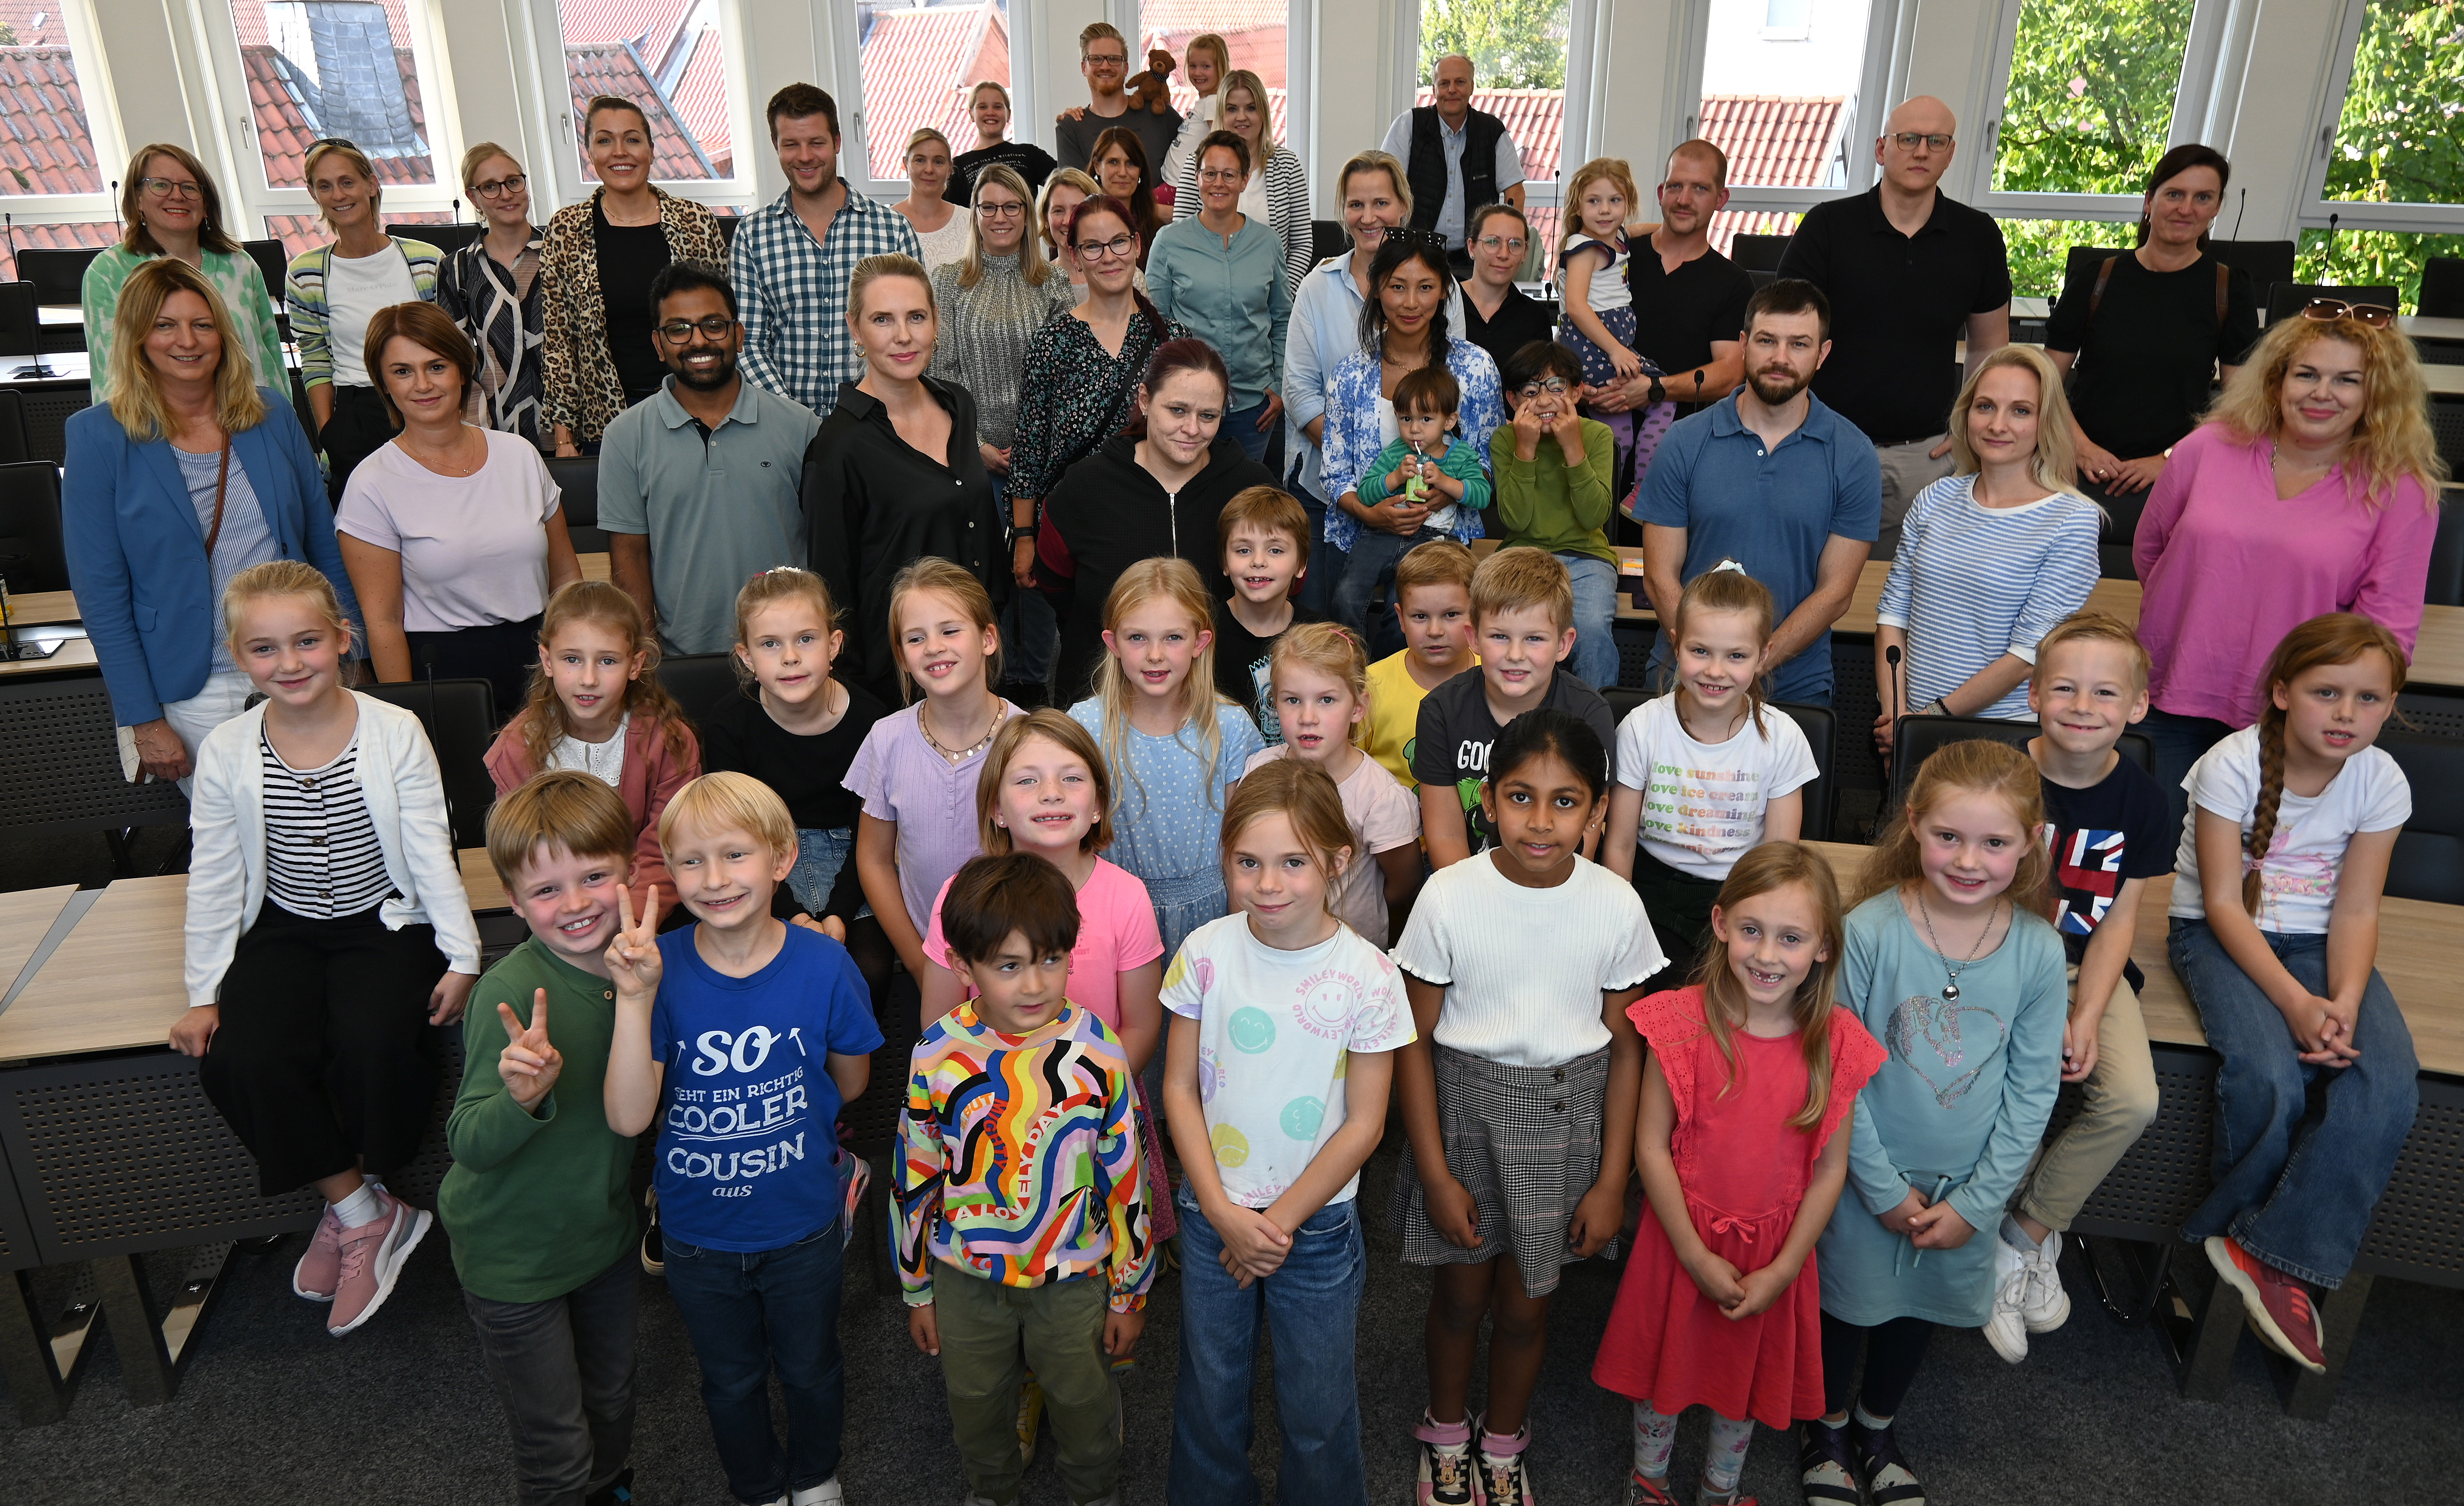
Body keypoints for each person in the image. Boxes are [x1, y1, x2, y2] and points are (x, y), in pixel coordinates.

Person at [171, 560, 480, 1337]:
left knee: (375, 1040)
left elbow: (430, 850)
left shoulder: (394, 730)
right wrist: (203, 991)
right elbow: (215, 874)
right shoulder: (229, 748)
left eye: (307, 640)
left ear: (343, 638)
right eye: (265, 648)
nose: (290, 662)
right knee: (243, 1056)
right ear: (240, 657)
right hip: (284, 924)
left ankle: (357, 1202)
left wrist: (463, 955)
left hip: (385, 919)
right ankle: (362, 1209)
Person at [1394, 709, 1661, 1505]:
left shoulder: (1616, 904)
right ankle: (1446, 1431)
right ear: (1487, 799)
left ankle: (1504, 1441)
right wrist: (1434, 1174)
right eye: (1520, 797)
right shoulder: (1448, 895)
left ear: (1598, 809)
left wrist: (1610, 1181)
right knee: (1459, 1297)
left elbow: (1626, 1052)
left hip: (1567, 1125)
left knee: (1526, 1305)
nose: (1540, 822)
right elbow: (1412, 1042)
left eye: (1565, 801)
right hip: (1464, 1120)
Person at [603, 774, 883, 1506]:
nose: (715, 878)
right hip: (698, 1232)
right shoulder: (657, 967)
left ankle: (815, 1473)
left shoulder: (825, 962)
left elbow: (852, 1081)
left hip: (802, 1221)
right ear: (669, 870)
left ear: (782, 858)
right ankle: (757, 1486)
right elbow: (630, 1116)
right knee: (730, 1377)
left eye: (735, 854)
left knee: (811, 1365)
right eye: (691, 861)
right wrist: (634, 998)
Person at [1808, 741, 2065, 1506]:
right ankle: (1824, 1428)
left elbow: (2032, 1090)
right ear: (1914, 823)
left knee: (1915, 1312)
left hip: (1964, 1190)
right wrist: (1882, 1188)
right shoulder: (1868, 930)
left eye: (1994, 842)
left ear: (2030, 843)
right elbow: (1838, 1071)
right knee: (1841, 1304)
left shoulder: (2038, 950)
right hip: (1861, 1178)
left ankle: (1876, 1425)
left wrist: (1979, 1204)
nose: (1968, 860)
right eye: (1948, 835)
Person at [1592, 843, 1886, 1506]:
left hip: (1774, 1252)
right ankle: (1649, 1481)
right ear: (1721, 923)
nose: (1767, 954)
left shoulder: (1836, 1041)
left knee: (1744, 1379)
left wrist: (1783, 1270)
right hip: (1680, 1238)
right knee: (1662, 1371)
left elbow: (1830, 1169)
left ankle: (1720, 1489)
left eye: (1791, 938)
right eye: (1752, 929)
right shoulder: (1680, 1020)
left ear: (1823, 948)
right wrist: (1693, 1253)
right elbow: (1651, 1146)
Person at [2173, 613, 2420, 1375]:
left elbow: (2357, 909)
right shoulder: (2230, 764)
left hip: (2321, 944)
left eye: (2368, 698)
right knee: (2269, 1077)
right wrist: (2293, 1003)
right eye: (2326, 692)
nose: (2347, 713)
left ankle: (2267, 1251)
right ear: (2281, 692)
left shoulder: (2382, 778)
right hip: (2218, 931)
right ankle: (2237, 1244)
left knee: (2386, 1083)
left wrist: (2342, 999)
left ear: (2390, 706)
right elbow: (2222, 903)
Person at [1160, 759, 1412, 1506]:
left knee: (1318, 1407)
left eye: (1293, 861)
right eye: (1247, 862)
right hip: (1213, 1215)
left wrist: (1274, 1225)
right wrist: (1222, 1213)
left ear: (1338, 860)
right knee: (1210, 1394)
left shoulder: (1370, 975)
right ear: (1225, 859)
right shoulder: (1205, 952)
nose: (1268, 883)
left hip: (1316, 1226)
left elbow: (1365, 1124)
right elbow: (1178, 1088)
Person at [898, 854, 1155, 1506]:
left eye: (1051, 959)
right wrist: (917, 1286)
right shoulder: (936, 1053)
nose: (1035, 983)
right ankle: (991, 1489)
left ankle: (1094, 1490)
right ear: (963, 966)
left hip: (1074, 1276)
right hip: (965, 1275)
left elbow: (1127, 1178)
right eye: (1008, 965)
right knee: (975, 1401)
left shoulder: (1099, 1052)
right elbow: (915, 1173)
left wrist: (1129, 1292)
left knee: (1084, 1399)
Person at [2131, 306, 2441, 832]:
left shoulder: (2400, 490)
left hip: (2292, 720)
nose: (2322, 393)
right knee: (2150, 856)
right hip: (2169, 693)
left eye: (2347, 380)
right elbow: (2151, 550)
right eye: (2307, 374)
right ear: (2278, 380)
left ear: (2377, 394)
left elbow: (2384, 631)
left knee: (2250, 871)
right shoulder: (2207, 447)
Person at [64, 258, 362, 789]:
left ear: (222, 333)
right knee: (236, 829)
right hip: (197, 686)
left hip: (303, 663)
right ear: (137, 338)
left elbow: (322, 543)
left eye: (202, 324)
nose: (188, 341)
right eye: (165, 325)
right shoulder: (98, 438)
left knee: (334, 816)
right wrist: (143, 719)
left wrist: (353, 657)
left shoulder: (272, 414)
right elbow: (101, 596)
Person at [442, 770, 649, 1506]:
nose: (576, 903)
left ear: (631, 868)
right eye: (547, 889)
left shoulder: (645, 968)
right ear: (514, 899)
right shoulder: (509, 992)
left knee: (613, 1399)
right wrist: (520, 1098)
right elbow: (469, 1142)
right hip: (513, 1255)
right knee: (555, 1445)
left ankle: (610, 1489)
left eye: (593, 876)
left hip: (603, 1237)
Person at [915, 711, 1177, 1240]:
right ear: (996, 808)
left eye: (1071, 778)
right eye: (1027, 780)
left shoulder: (1126, 897)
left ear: (1097, 804)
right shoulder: (958, 896)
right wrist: (1011, 1103)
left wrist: (1076, 1098)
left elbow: (1142, 1026)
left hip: (1097, 1103)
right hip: (988, 1109)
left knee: (1099, 1239)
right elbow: (939, 1025)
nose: (1051, 793)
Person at [1991, 612, 2168, 1363]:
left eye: (2105, 691)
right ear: (2033, 693)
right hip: (1994, 958)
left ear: (2138, 705)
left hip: (2082, 965)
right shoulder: (1995, 775)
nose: (2083, 706)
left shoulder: (2144, 801)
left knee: (2132, 1098)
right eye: (2064, 687)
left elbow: (2119, 921)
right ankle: (1976, 1221)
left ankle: (2021, 1233)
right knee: (2009, 1078)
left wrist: (2088, 1012)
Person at [1777, 96, 2011, 558]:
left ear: (1951, 153)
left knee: (1905, 587)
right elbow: (1786, 336)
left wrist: (1972, 426)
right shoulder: (1828, 226)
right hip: (1824, 443)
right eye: (1909, 139)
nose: (1921, 151)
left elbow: (1989, 346)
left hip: (1926, 455)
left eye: (1936, 141)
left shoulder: (1978, 236)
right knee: (1806, 571)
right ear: (1882, 149)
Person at [1638, 279, 1881, 708]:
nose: (1780, 358)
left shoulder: (1854, 455)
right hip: (1684, 677)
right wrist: (1709, 663)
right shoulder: (1683, 441)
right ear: (1744, 344)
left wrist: (1750, 666)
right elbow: (1660, 578)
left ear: (1823, 354)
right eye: (1767, 341)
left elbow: (1836, 593)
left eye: (1799, 344)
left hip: (1795, 687)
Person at [337, 301, 581, 714]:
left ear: (462, 370)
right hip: (444, 676)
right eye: (402, 371)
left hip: (545, 661)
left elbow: (567, 578)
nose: (422, 385)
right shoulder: (370, 484)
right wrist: (406, 718)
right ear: (384, 384)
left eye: (436, 366)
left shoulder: (520, 455)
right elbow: (383, 623)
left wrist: (578, 661)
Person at [1872, 344, 2101, 751]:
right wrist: (1898, 717)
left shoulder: (2072, 520)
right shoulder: (1935, 497)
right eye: (1985, 406)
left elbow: (2026, 656)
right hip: (1909, 725)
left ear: (2046, 422)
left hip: (2000, 738)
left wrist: (1927, 720)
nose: (1998, 425)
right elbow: (1893, 616)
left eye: (2021, 411)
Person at [804, 253, 1003, 709]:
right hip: (898, 676)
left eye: (916, 316)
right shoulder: (837, 447)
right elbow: (833, 588)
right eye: (882, 319)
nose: (903, 336)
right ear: (855, 328)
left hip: (977, 654)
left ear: (936, 320)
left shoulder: (958, 403)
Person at [2046, 143, 2259, 567]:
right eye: (2174, 194)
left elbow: (2240, 406)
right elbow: (2045, 380)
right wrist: (2080, 447)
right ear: (2149, 201)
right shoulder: (2097, 278)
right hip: (2077, 466)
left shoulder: (2229, 289)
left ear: (2217, 208)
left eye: (2203, 198)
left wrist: (2169, 460)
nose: (2187, 209)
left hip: (2175, 472)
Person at [1035, 338, 1275, 705]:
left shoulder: (1252, 487)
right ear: (1145, 400)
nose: (1192, 429)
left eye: (1208, 416)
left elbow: (1285, 580)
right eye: (1178, 410)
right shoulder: (1086, 486)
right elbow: (1053, 580)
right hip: (1103, 698)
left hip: (1221, 699)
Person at [1605, 569, 1819, 978]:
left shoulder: (1783, 738)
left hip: (1741, 891)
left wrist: (1757, 927)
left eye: (1736, 656)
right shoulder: (1641, 727)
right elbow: (1620, 845)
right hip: (1652, 890)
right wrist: (1619, 926)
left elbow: (1778, 858)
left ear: (1763, 655)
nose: (1716, 671)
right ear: (1676, 644)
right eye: (1700, 651)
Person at [599, 261, 819, 657]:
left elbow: (827, 544)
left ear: (739, 335)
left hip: (788, 656)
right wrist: (647, 657)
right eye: (678, 329)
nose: (698, 341)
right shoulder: (625, 436)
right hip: (683, 659)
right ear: (658, 344)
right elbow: (629, 555)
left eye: (714, 325)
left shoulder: (801, 426)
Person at [702, 568, 892, 1008]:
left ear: (834, 645)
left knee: (869, 970)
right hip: (763, 856)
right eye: (770, 644)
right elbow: (739, 834)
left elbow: (872, 838)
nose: (790, 657)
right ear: (747, 656)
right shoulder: (728, 725)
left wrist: (838, 913)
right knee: (771, 972)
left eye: (806, 639)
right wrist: (795, 915)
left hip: (856, 854)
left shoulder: (873, 722)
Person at [1286, 151, 1468, 609]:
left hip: (1426, 495)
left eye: (1381, 203)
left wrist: (1424, 479)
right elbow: (1300, 391)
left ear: (1404, 207)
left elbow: (1453, 383)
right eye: (1356, 205)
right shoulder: (1318, 286)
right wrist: (1361, 469)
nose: (1368, 217)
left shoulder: (1441, 285)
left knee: (1408, 620)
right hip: (1328, 491)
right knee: (1331, 616)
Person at [927, 164, 1074, 709]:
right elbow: (941, 373)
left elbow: (1065, 377)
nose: (1000, 217)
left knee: (1036, 579)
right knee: (983, 579)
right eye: (988, 207)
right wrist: (977, 447)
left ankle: (1035, 690)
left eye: (1012, 207)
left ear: (1028, 215)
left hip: (1042, 465)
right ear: (974, 214)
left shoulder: (1053, 284)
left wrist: (1033, 452)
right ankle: (987, 690)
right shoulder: (949, 281)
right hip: (973, 458)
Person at [1068, 558, 1265, 958]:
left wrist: (1241, 938)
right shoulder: (1086, 725)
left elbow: (1244, 841)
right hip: (1113, 917)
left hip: (1212, 918)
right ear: (1113, 643)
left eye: (1173, 637)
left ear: (1199, 643)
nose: (1155, 655)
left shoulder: (1229, 726)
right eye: (1137, 638)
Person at [1322, 233, 1505, 638]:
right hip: (1361, 535)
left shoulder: (1475, 368)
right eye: (1397, 287)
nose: (1410, 303)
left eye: (1425, 287)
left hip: (1443, 535)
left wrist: (1447, 491)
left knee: (1406, 622)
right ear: (1376, 289)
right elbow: (1335, 476)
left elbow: (1490, 463)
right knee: (1344, 609)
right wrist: (1371, 513)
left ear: (1444, 291)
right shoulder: (1350, 375)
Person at [846, 559, 1020, 982]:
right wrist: (919, 963)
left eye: (950, 630)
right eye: (916, 638)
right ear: (903, 657)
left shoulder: (1028, 740)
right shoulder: (887, 739)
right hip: (929, 958)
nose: (934, 647)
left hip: (1017, 958)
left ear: (988, 638)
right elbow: (874, 859)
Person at [1009, 197, 1190, 604]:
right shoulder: (1052, 343)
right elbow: (1029, 449)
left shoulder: (1173, 340)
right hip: (1074, 528)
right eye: (1093, 246)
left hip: (1152, 524)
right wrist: (1024, 536)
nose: (1109, 257)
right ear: (1074, 257)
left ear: (1137, 245)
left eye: (1119, 242)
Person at [485, 580, 700, 918]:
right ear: (547, 660)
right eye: (572, 659)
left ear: (635, 664)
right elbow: (524, 857)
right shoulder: (517, 749)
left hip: (646, 906)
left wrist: (629, 923)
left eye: (607, 661)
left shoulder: (668, 741)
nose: (588, 678)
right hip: (561, 912)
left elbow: (667, 848)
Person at [541, 98, 728, 453]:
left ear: (652, 150)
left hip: (697, 410)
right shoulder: (566, 231)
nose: (620, 152)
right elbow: (560, 342)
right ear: (590, 153)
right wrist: (564, 437)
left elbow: (723, 326)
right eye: (605, 140)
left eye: (632, 139)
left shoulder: (697, 223)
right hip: (606, 421)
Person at [1413, 547, 1616, 867]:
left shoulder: (1590, 714)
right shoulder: (1440, 711)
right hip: (1468, 879)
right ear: (1474, 638)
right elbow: (1446, 838)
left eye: (1534, 639)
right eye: (1500, 637)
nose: (1516, 655)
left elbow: (1584, 836)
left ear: (1563, 644)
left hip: (1559, 879)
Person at [732, 84, 922, 419]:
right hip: (783, 426)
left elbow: (913, 335)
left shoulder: (893, 231)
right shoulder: (752, 235)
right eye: (791, 144)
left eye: (816, 143)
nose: (805, 156)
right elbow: (748, 344)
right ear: (776, 146)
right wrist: (794, 420)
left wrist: (865, 418)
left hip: (877, 424)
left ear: (836, 142)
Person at [1586, 141, 1754, 493]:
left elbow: (1730, 373)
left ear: (1721, 199)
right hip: (1593, 442)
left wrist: (1655, 390)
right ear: (1662, 193)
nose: (1684, 199)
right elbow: (1573, 320)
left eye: (1700, 189)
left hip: (1679, 457)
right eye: (1676, 186)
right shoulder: (1616, 256)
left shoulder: (1732, 282)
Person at [1240, 624, 1423, 946]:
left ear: (1357, 708)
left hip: (1347, 954)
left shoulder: (1379, 796)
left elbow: (1403, 887)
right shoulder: (1259, 769)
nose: (1308, 717)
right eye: (1292, 700)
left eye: (1326, 700)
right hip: (1271, 945)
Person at [286, 139, 443, 501]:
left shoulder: (427, 261)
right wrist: (330, 433)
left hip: (424, 402)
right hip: (355, 412)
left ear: (371, 185)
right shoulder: (307, 273)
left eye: (347, 182)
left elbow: (450, 348)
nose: (338, 195)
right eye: (325, 186)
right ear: (314, 194)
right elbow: (315, 358)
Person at [82, 142, 285, 401]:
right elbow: (110, 374)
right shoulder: (108, 271)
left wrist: (282, 417)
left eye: (190, 187)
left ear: (206, 203)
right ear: (138, 199)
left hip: (248, 412)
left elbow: (270, 358)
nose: (177, 196)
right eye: (160, 185)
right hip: (155, 420)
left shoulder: (240, 264)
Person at [1148, 131, 1292, 466]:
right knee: (1189, 491)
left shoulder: (1268, 243)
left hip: (1253, 405)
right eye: (1210, 173)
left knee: (1244, 494)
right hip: (1187, 406)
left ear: (1245, 180)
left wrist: (1279, 386)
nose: (1218, 183)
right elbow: (1155, 325)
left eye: (1229, 174)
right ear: (1197, 178)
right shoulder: (1169, 242)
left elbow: (1283, 318)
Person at [1494, 342, 1618, 690]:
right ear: (1513, 400)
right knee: (1507, 627)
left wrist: (1573, 446)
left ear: (1577, 392)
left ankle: (1593, 719)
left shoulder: (1597, 435)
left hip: (1587, 557)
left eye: (1557, 387)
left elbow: (1594, 516)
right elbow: (1515, 520)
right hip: (1521, 555)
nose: (1545, 400)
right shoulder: (1505, 440)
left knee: (1592, 631)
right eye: (1531, 391)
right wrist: (1525, 449)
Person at [1353, 364, 1491, 659]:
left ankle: (1387, 664)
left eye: (1426, 419)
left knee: (1401, 608)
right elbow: (1365, 493)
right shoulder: (1396, 453)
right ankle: (1352, 661)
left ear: (1449, 420)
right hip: (1383, 535)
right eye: (1406, 419)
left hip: (1431, 542)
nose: (1414, 429)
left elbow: (1482, 494)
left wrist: (1445, 482)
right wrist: (1394, 478)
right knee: (1347, 594)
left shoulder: (1461, 455)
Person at [436, 142, 549, 450]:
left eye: (513, 181)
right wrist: (477, 432)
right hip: (495, 432)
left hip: (566, 426)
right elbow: (454, 358)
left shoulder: (561, 252)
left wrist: (569, 428)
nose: (506, 194)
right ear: (473, 197)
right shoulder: (456, 269)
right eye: (490, 187)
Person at [1168, 69, 1314, 295]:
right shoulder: (1196, 164)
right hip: (1205, 299)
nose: (1242, 117)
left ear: (1264, 113)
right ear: (1221, 114)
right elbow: (1180, 238)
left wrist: (1283, 297)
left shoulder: (1288, 165)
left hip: (1271, 300)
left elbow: (1302, 243)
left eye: (1251, 108)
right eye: (1232, 109)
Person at [1381, 54, 1527, 262]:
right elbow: (1385, 186)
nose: (1452, 90)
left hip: (1477, 257)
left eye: (1460, 82)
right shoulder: (1409, 126)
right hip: (1416, 252)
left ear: (1472, 87)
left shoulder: (1492, 132)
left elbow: (1516, 193)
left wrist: (1507, 243)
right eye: (1444, 83)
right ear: (1434, 90)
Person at [1555, 158, 1648, 482]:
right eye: (1594, 201)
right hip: (1596, 346)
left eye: (1615, 201)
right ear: (1578, 207)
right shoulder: (1585, 248)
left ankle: (1626, 492)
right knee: (1620, 436)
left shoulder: (1616, 235)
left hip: (1611, 344)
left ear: (1628, 203)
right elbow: (1576, 306)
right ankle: (1617, 495)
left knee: (1626, 434)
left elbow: (1635, 230)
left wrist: (1664, 229)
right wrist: (1616, 350)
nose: (1605, 210)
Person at [1212, 485, 1324, 745]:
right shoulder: (1204, 634)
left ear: (1301, 565)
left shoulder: (1320, 636)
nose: (1258, 561)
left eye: (1275, 550)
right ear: (1225, 562)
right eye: (1244, 550)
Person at [1365, 538, 1478, 793]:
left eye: (1451, 615)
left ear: (1476, 614)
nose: (1435, 631)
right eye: (1420, 616)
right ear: (1400, 618)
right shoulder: (1371, 686)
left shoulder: (1497, 678)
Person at [1053, 23, 1181, 177]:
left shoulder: (1161, 116)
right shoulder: (1071, 129)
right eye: (1096, 59)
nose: (1105, 66)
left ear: (1126, 68)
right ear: (1084, 68)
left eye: (1114, 59)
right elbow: (1074, 190)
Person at [1459, 203, 1554, 378]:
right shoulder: (1445, 305)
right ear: (1472, 248)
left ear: (1525, 253)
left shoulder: (1536, 318)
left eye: (1515, 244)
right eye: (1492, 242)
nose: (1504, 254)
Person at [948, 80, 1058, 206]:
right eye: (983, 107)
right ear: (972, 114)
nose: (991, 113)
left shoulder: (1029, 154)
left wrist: (1071, 124)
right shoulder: (959, 167)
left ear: (1008, 114)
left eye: (998, 107)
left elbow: (1067, 181)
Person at [1155, 32, 1231, 191]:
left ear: (1221, 68)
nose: (1198, 73)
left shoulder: (1212, 103)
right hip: (1174, 183)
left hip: (1180, 186)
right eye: (1193, 66)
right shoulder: (1205, 102)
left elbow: (1220, 141)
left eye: (1206, 66)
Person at [892, 127, 972, 273]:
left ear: (950, 169)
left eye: (938, 162)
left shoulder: (970, 221)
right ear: (906, 164)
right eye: (920, 160)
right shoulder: (888, 223)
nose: (929, 169)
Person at [1033, 168, 1113, 304]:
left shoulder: (1123, 274)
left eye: (1077, 210)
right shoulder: (1035, 285)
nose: (1068, 221)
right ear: (1046, 219)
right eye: (1058, 211)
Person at [1089, 127, 1171, 259]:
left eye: (1131, 163)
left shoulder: (1158, 232)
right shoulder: (1080, 224)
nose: (1123, 172)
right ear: (1097, 167)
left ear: (1140, 170)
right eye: (1113, 162)